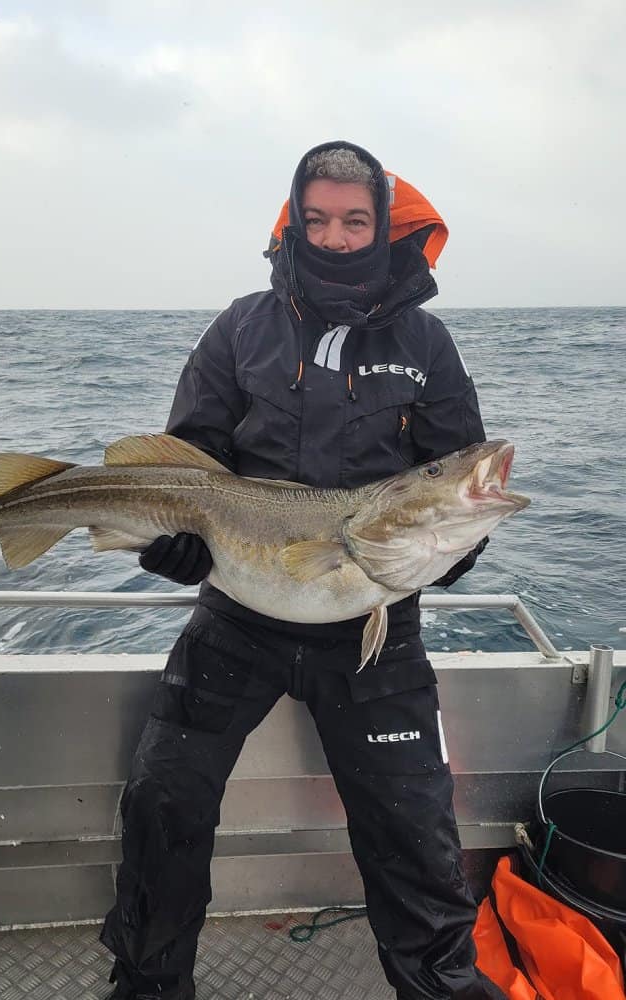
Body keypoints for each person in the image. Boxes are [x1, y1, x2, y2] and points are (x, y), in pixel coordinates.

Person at [100, 140, 506, 1000]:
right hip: (238, 617)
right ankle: (147, 986)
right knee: (162, 801)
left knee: (415, 832)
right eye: (316, 219)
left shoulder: (425, 343)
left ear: (384, 227)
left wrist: (457, 548)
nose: (335, 236)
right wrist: (179, 542)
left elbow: (454, 470)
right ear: (295, 220)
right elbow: (193, 455)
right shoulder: (241, 327)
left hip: (375, 622)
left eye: (355, 220)